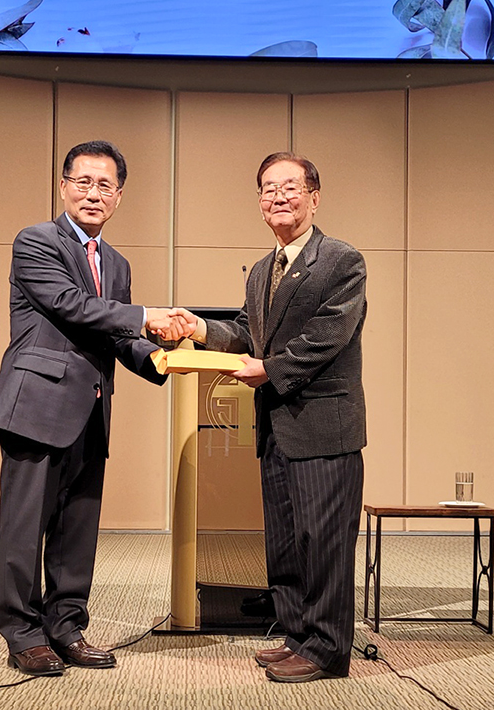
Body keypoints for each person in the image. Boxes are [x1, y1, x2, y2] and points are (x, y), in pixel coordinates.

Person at [0, 140, 185, 676]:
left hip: (92, 410)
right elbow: (71, 306)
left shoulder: (117, 263)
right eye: (83, 182)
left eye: (105, 185)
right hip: (36, 405)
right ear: (63, 187)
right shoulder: (36, 241)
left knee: (78, 529)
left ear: (119, 196)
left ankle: (66, 627)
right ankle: (23, 634)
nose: (93, 194)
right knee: (25, 529)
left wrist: (164, 359)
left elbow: (115, 336)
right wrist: (146, 316)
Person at [173, 152, 367, 683]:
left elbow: (327, 336)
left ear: (314, 197)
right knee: (286, 544)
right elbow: (245, 331)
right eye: (267, 188)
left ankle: (327, 650)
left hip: (324, 428)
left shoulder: (341, 260)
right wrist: (198, 329)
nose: (278, 196)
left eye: (289, 187)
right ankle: (298, 635)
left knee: (324, 544)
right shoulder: (262, 270)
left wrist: (269, 369)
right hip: (276, 427)